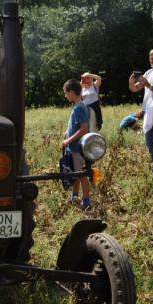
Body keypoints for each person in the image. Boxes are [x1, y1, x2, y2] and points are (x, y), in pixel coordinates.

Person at [61, 79, 92, 210]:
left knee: (81, 175)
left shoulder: (79, 108)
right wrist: (67, 132)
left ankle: (86, 202)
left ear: (72, 92)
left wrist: (68, 140)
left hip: (77, 148)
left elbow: (84, 128)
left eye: (65, 92)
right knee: (76, 174)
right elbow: (76, 126)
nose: (65, 95)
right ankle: (74, 196)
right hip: (74, 147)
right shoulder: (78, 106)